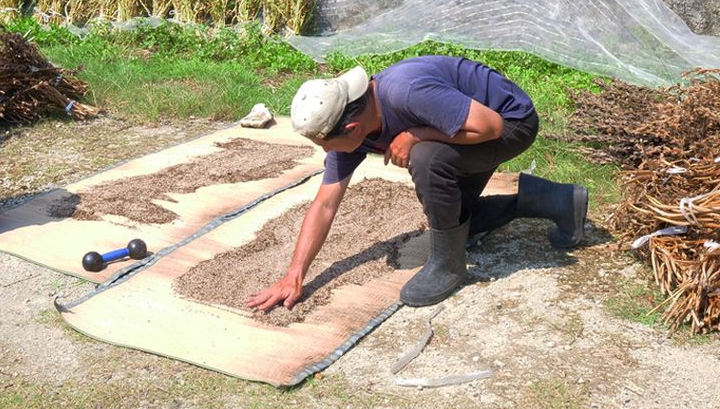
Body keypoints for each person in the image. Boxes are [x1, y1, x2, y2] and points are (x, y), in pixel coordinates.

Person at [246, 56, 597, 313]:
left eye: (326, 144)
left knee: (427, 158)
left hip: (510, 123)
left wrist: (415, 134)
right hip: (468, 131)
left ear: (350, 129)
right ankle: (558, 200)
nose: (326, 152)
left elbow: (491, 127)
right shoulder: (353, 119)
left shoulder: (405, 92)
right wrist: (294, 275)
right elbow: (324, 204)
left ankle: (447, 266)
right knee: (459, 223)